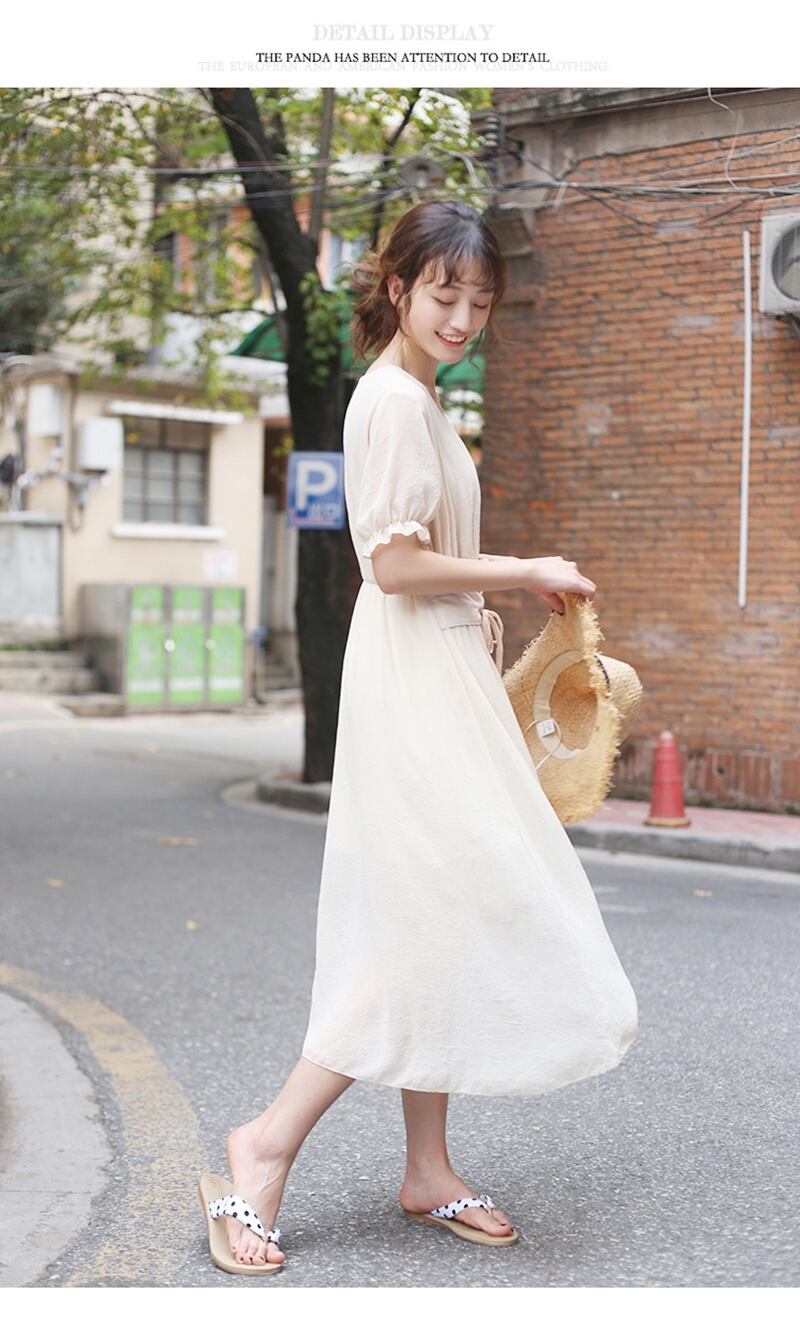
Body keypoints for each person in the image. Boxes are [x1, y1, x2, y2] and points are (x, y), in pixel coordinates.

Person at [199, 199, 638, 1274]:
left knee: (436, 914)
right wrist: (522, 569)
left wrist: (497, 612)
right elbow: (392, 565)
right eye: (444, 294)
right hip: (412, 678)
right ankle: (265, 1143)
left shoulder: (422, 399)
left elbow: (422, 564)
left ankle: (428, 1168)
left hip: (437, 671)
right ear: (397, 287)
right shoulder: (393, 401)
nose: (462, 318)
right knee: (419, 920)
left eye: (479, 301)